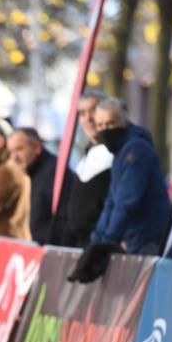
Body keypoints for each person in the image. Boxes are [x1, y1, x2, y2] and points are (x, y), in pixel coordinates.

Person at [90, 98, 170, 255]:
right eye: (100, 125)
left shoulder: (136, 150)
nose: (104, 130)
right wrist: (97, 239)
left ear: (124, 122)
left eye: (110, 123)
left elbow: (127, 201)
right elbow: (112, 201)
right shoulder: (120, 152)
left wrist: (107, 240)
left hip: (149, 240)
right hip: (136, 240)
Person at [7, 127, 71, 245]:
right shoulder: (34, 172)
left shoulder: (55, 172)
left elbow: (64, 218)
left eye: (19, 149)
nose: (14, 157)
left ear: (36, 147)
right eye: (11, 152)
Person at [66, 90, 113, 247]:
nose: (88, 119)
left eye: (93, 110)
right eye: (82, 113)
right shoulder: (85, 158)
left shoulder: (119, 154)